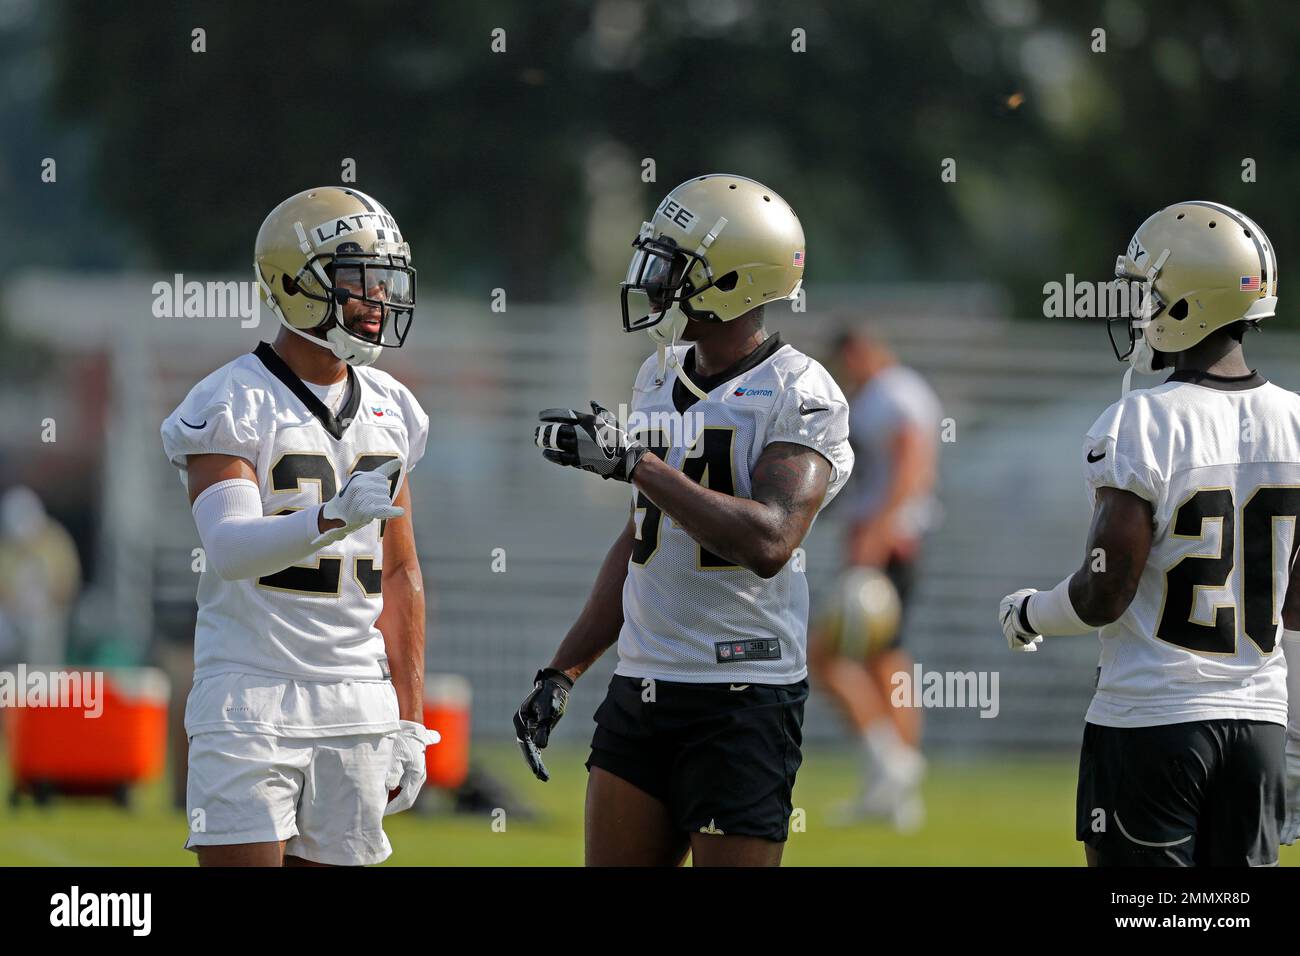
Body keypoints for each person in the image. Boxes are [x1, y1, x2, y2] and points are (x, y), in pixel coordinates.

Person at [513, 174, 853, 867]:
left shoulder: (800, 390)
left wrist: (636, 463)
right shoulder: (656, 375)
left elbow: (770, 540)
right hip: (641, 687)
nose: (653, 278)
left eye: (674, 263)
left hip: (741, 700)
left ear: (732, 278)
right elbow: (645, 536)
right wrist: (564, 671)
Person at [1000, 201, 1294, 866]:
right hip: (1261, 729)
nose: (1138, 308)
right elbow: (1297, 606)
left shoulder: (1142, 421)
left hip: (1154, 721)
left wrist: (1028, 613)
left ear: (1189, 302)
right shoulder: (1297, 421)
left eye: (1149, 291)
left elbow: (1105, 592)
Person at [160, 187, 437, 867]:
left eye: (384, 281)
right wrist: (332, 514)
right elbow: (228, 550)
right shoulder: (231, 400)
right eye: (358, 281)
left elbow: (400, 573)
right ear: (297, 284)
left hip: (357, 697)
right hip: (251, 690)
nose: (378, 300)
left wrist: (410, 715)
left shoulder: (395, 406)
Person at [809, 330, 940, 830]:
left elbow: (913, 466)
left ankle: (892, 765)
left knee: (824, 654)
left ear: (857, 352)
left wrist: (878, 537)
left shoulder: (894, 393)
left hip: (888, 547)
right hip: (889, 542)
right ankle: (896, 791)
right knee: (888, 665)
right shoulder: (890, 393)